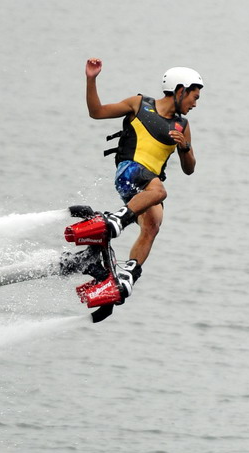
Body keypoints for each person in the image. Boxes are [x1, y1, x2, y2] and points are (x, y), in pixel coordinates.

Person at [83, 58, 203, 298]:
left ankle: (127, 273)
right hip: (128, 171)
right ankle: (115, 220)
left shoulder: (182, 125)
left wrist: (185, 147)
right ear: (180, 90)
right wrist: (91, 79)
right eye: (194, 97)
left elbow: (189, 169)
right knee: (160, 192)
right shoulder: (139, 104)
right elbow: (96, 112)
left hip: (147, 187)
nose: (195, 104)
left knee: (153, 224)